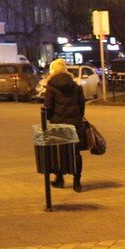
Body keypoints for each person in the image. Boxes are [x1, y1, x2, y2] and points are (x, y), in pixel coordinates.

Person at [43, 58, 86, 192]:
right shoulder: (75, 86)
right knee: (76, 152)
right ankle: (77, 182)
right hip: (74, 123)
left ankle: (60, 179)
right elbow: (81, 105)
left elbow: (48, 107)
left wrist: (50, 118)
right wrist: (77, 116)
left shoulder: (51, 86)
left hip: (58, 123)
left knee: (58, 151)